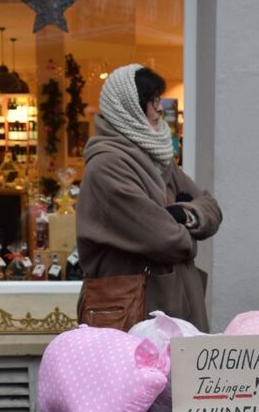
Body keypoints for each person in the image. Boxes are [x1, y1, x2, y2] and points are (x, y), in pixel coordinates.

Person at [77, 64, 221, 331]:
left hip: (169, 308)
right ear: (128, 107)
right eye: (151, 101)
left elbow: (212, 210)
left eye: (158, 99)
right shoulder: (107, 166)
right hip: (132, 313)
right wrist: (184, 226)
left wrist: (181, 214)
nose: (158, 109)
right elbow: (167, 239)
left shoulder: (159, 158)